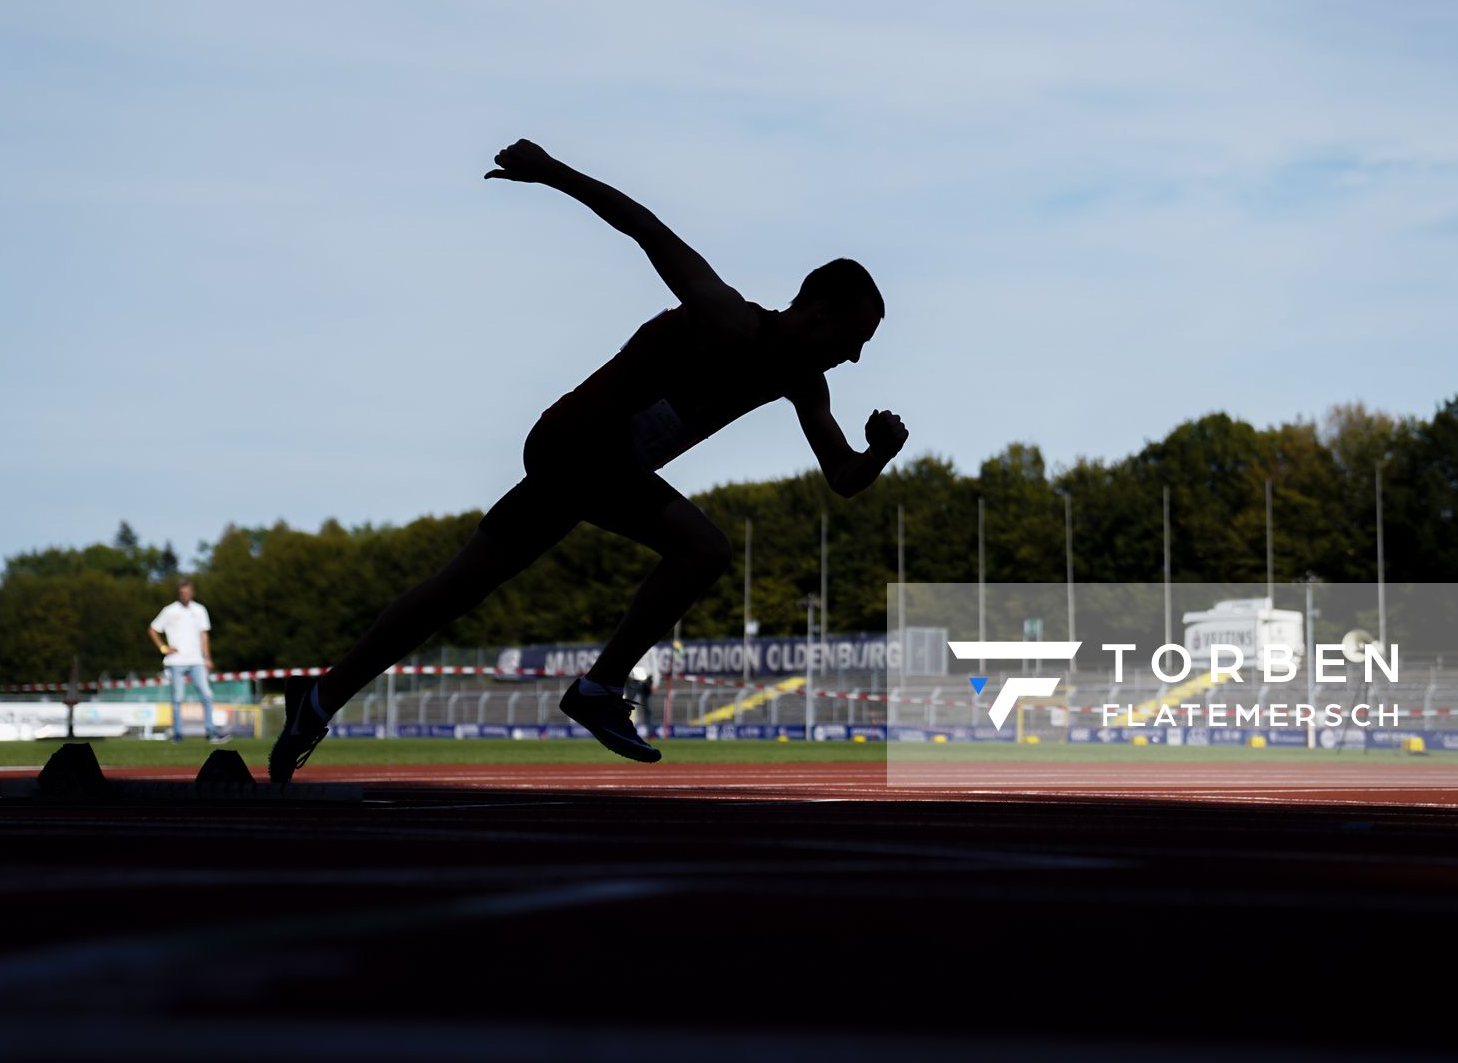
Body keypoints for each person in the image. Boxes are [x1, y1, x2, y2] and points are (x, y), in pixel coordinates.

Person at [269, 139, 905, 780]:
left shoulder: (803, 381)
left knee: (458, 587)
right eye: (855, 339)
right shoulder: (728, 318)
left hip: (606, 467)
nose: (854, 359)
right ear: (819, 313)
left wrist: (877, 453)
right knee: (701, 551)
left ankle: (317, 702)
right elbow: (644, 227)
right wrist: (550, 173)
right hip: (574, 443)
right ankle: (598, 689)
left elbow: (843, 478)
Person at [147, 579, 228, 744]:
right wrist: (163, 648)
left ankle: (211, 732)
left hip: (197, 660)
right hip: (175, 661)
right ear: (178, 593)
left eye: (187, 591)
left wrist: (207, 657)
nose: (185, 594)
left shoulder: (199, 610)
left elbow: (204, 634)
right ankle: (177, 734)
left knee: (207, 695)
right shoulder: (169, 610)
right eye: (182, 592)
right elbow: (152, 629)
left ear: (192, 592)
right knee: (177, 698)